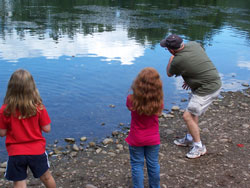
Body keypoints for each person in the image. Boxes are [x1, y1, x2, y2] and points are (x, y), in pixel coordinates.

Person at [160, 34, 221, 159]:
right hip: (207, 83)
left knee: (187, 116)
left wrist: (172, 58)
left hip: (207, 89)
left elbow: (169, 73)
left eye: (167, 48)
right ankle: (189, 138)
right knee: (193, 114)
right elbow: (198, 58)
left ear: (171, 50)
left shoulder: (177, 60)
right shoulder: (194, 44)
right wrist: (193, 75)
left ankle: (199, 147)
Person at [0, 69, 56, 188]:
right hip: (36, 151)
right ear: (32, 87)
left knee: (19, 181)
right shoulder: (39, 107)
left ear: (11, 88)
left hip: (16, 152)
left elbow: (2, 132)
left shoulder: (5, 109)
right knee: (46, 177)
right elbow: (47, 129)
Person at [125, 67, 164, 188]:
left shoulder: (131, 99)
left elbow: (129, 107)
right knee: (153, 164)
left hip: (136, 138)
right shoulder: (158, 102)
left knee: (137, 165)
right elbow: (158, 113)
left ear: (138, 83)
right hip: (153, 139)